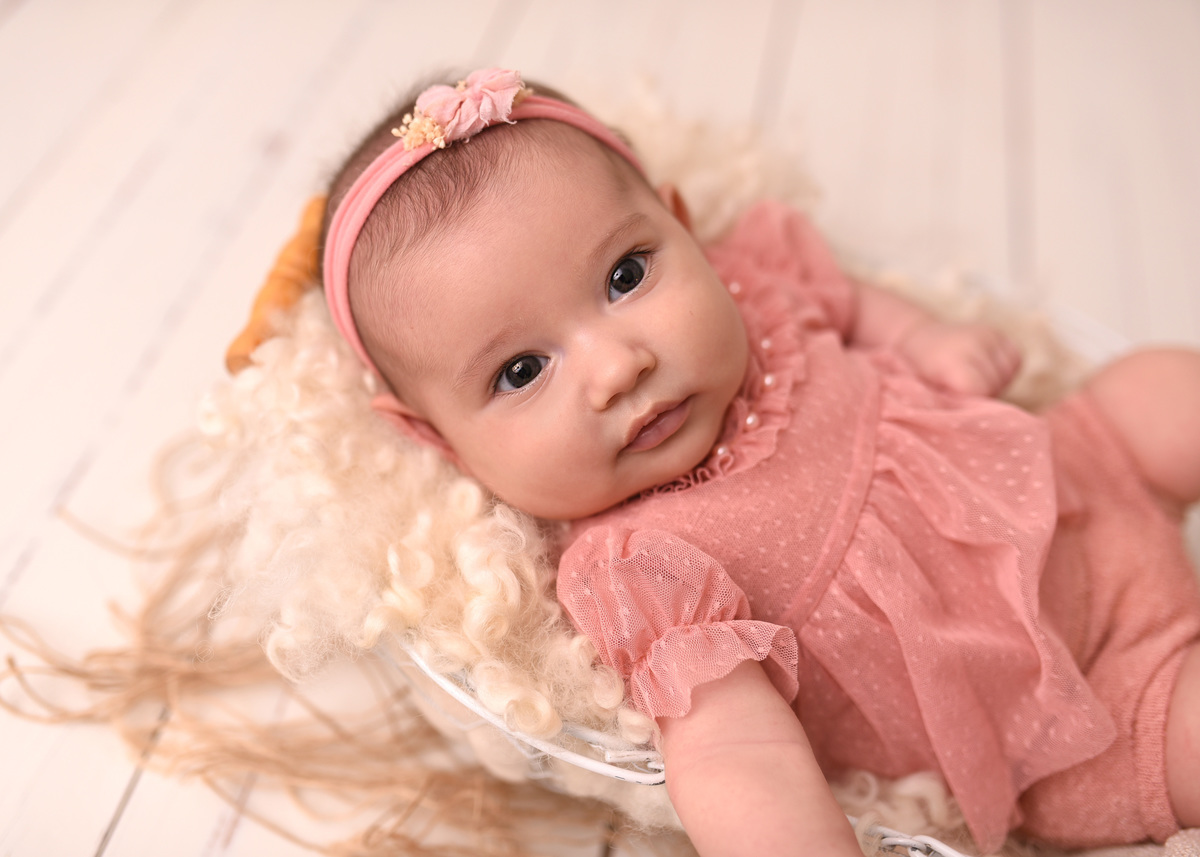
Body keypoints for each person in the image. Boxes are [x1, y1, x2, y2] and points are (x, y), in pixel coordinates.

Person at [310, 68, 1200, 855]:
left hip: (1082, 473)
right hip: (1081, 706)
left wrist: (925, 338)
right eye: (521, 370)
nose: (619, 366)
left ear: (684, 226)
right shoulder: (637, 566)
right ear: (437, 438)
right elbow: (737, 752)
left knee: (1164, 390)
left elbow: (850, 300)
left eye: (625, 276)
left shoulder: (752, 286)